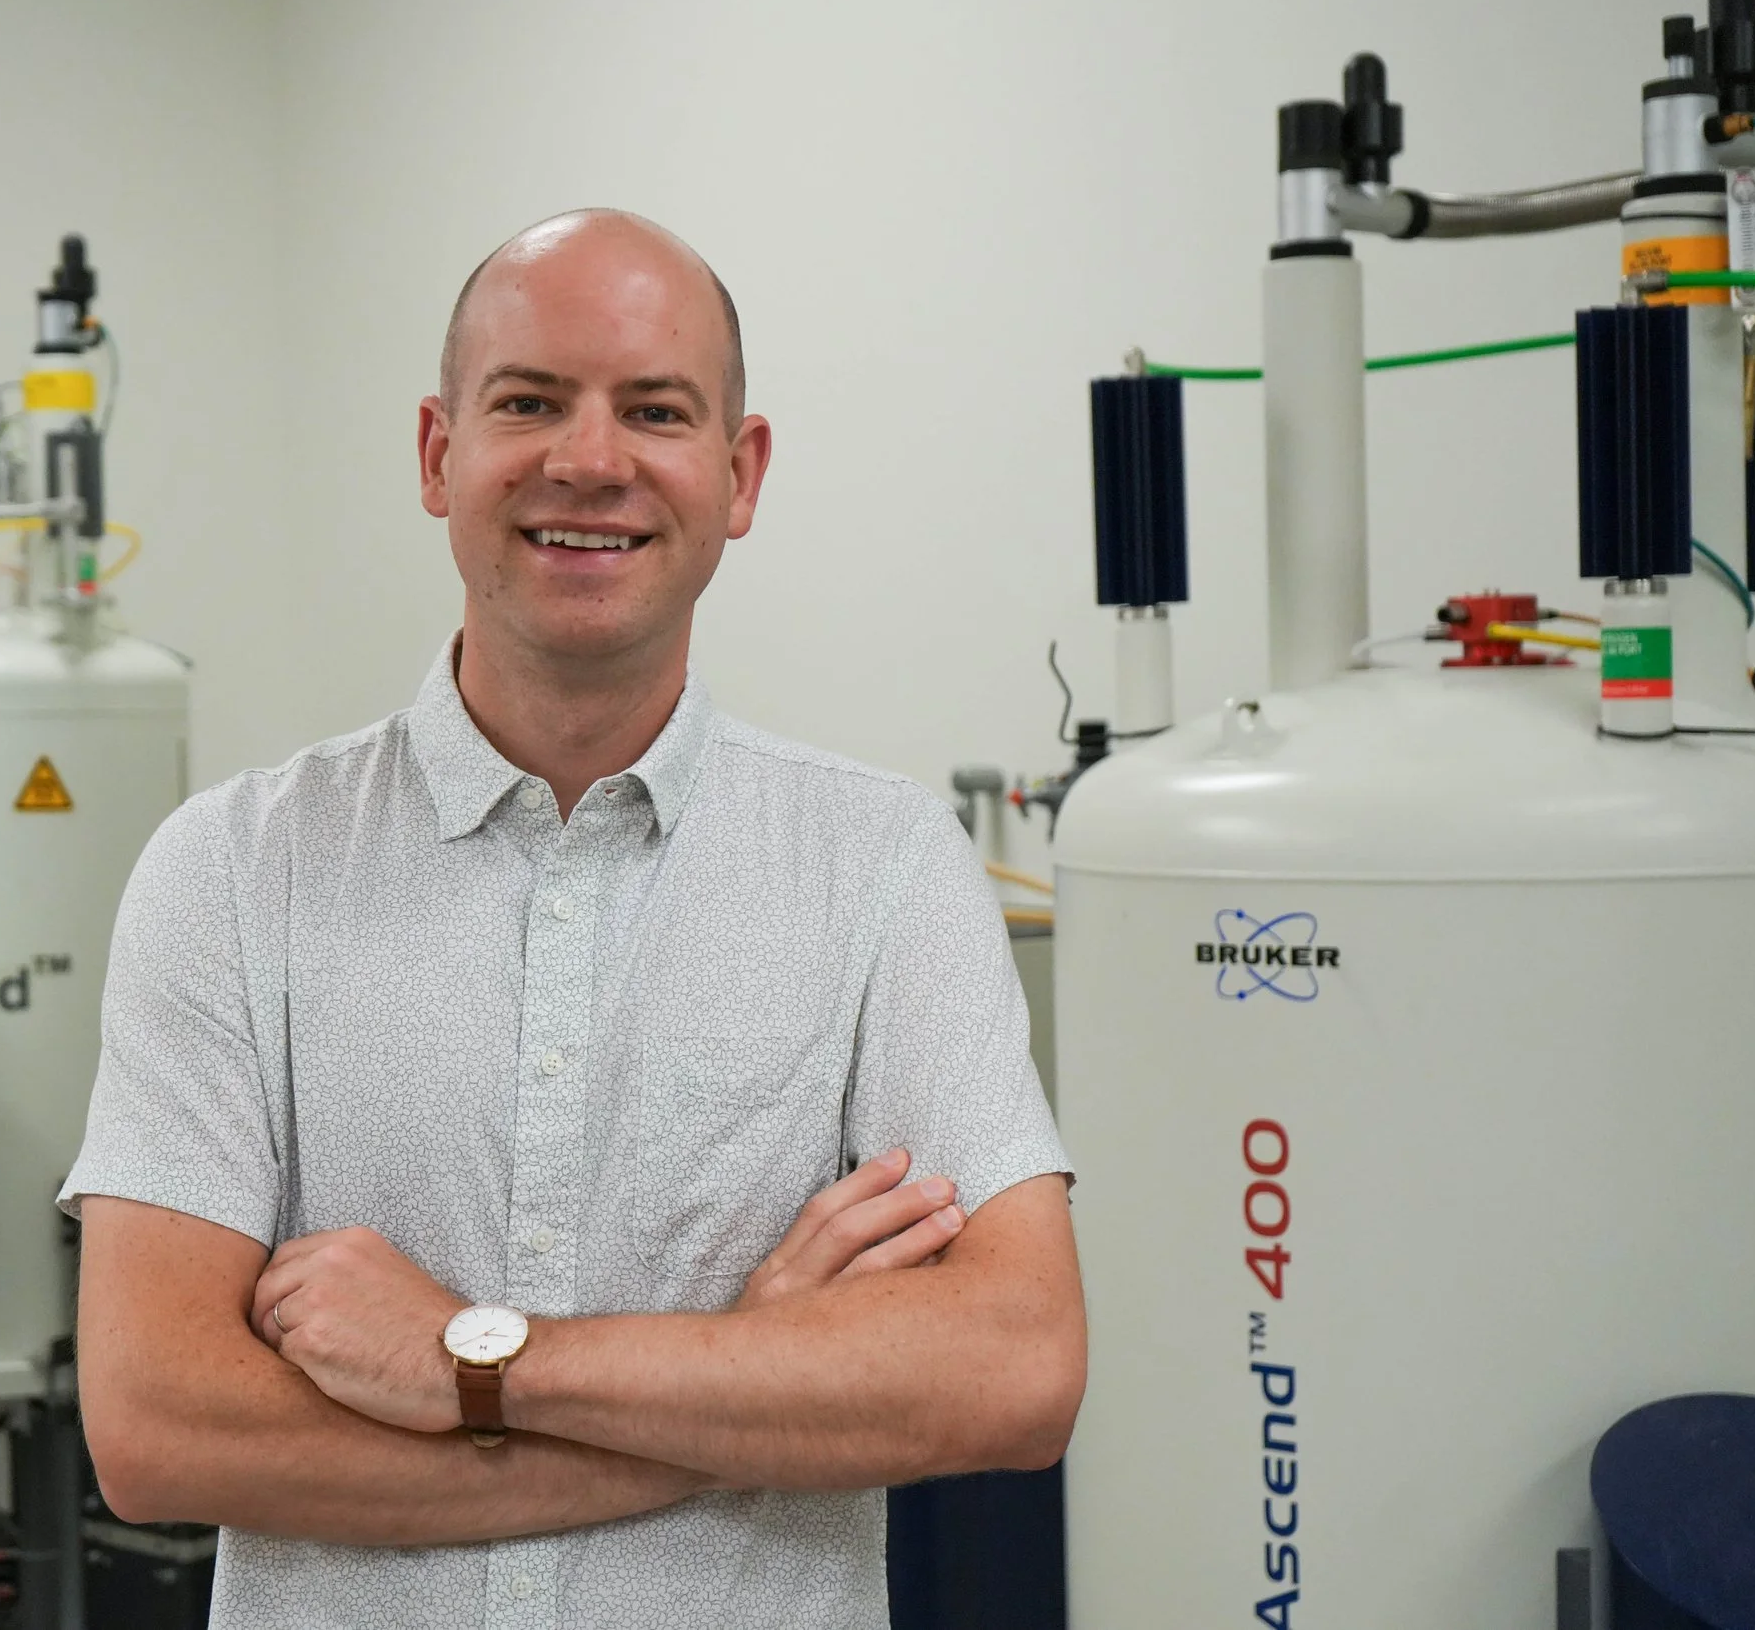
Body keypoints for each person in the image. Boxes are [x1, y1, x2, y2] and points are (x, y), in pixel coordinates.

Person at [62, 208, 1084, 1629]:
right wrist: (741, 1383)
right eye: (529, 402)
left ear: (741, 473)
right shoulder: (232, 870)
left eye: (655, 411)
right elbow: (159, 1427)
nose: (590, 460)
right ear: (438, 454)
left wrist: (476, 1360)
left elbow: (1016, 1367)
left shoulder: (886, 866)